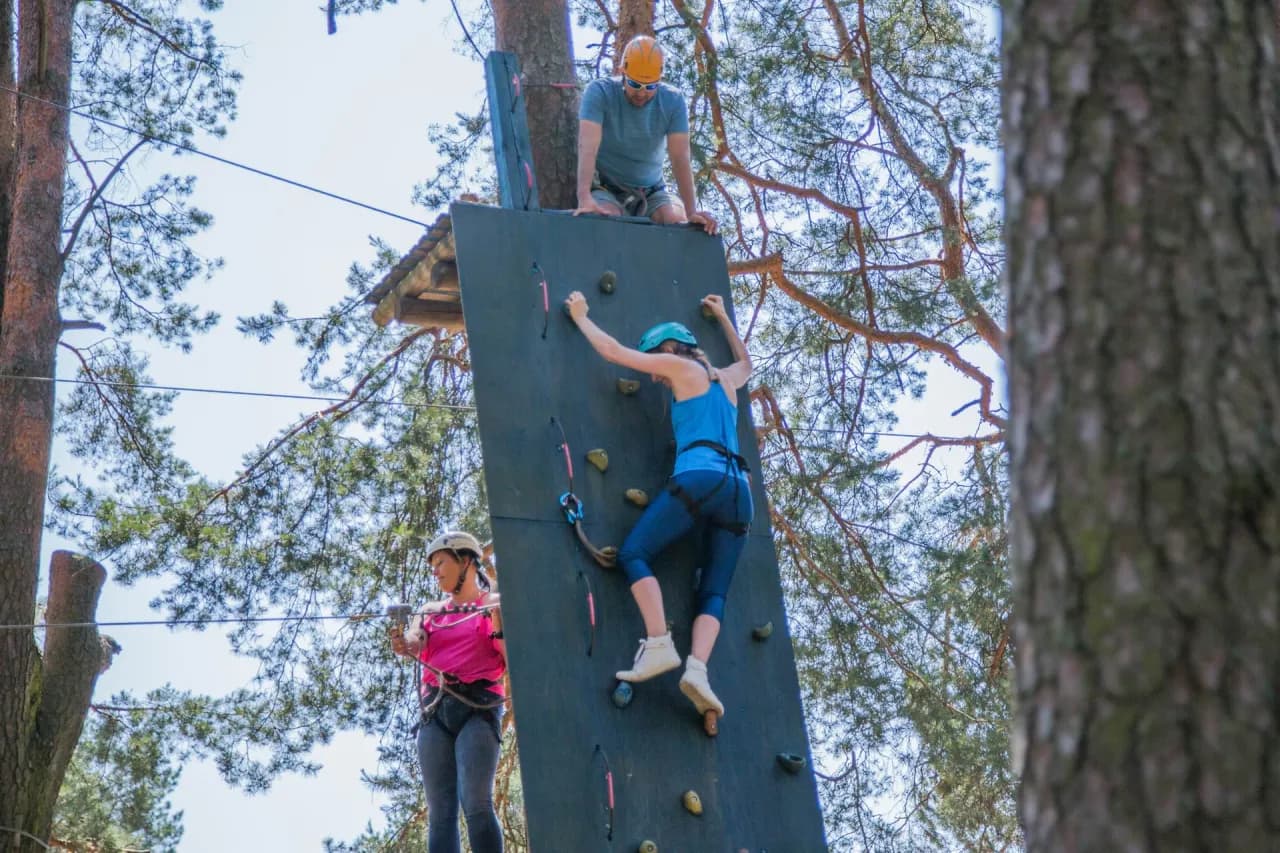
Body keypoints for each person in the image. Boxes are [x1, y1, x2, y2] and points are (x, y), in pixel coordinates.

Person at [564, 290, 752, 719]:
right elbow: (748, 365)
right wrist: (723, 316)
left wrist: (580, 316)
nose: (659, 379)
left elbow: (613, 351)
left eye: (658, 365)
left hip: (699, 477)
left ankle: (658, 644)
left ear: (667, 348)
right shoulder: (725, 380)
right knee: (714, 589)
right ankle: (698, 671)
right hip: (739, 493)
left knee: (634, 552)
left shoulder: (680, 366)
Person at [389, 531, 507, 853]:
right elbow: (416, 640)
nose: (436, 571)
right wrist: (404, 643)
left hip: (478, 708)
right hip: (436, 713)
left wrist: (497, 619)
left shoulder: (492, 604)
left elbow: (508, 656)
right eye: (432, 566)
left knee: (476, 802)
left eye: (441, 562)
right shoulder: (430, 611)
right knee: (440, 812)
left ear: (466, 561)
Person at [574, 34, 719, 235]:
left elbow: (680, 158)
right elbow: (587, 146)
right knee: (604, 222)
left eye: (650, 86)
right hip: (608, 188)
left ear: (660, 80)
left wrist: (691, 210)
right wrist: (584, 197)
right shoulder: (599, 92)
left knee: (677, 223)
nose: (642, 93)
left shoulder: (673, 101)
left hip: (652, 192)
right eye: (635, 85)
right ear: (622, 72)